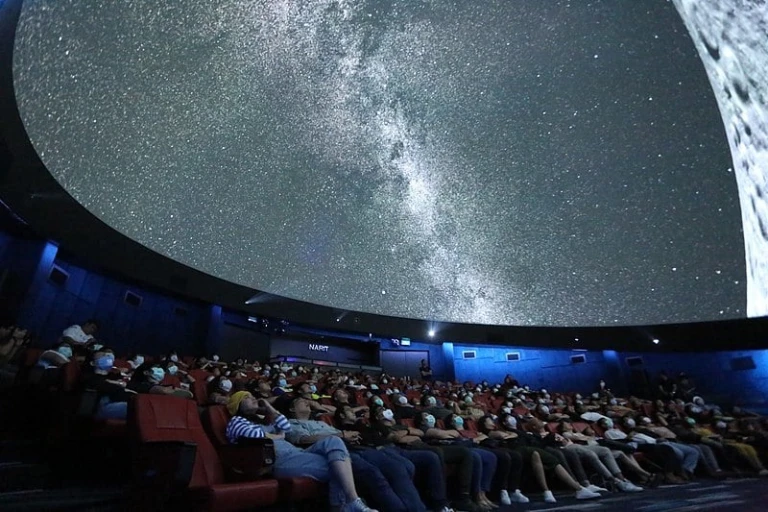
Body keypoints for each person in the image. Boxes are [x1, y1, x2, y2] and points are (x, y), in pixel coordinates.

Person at [225, 392, 376, 512]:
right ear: (237, 405)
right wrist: (278, 436)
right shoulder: (236, 421)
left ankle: (351, 501)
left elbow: (286, 427)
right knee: (338, 468)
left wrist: (269, 408)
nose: (253, 398)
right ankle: (349, 503)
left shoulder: (260, 421)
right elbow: (254, 436)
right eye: (246, 397)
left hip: (297, 454)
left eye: (252, 396)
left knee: (334, 442)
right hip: (279, 461)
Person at [285, 398, 424, 512]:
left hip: (356, 448)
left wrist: (347, 436)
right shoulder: (291, 423)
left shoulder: (320, 422)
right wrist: (342, 435)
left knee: (397, 468)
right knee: (373, 473)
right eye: (300, 402)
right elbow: (303, 440)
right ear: (292, 409)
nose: (306, 402)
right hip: (334, 455)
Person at [81, 348, 134, 420]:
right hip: (99, 407)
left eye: (108, 356)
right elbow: (114, 390)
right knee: (136, 407)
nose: (106, 357)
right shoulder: (90, 377)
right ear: (92, 363)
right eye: (103, 355)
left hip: (113, 401)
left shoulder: (112, 375)